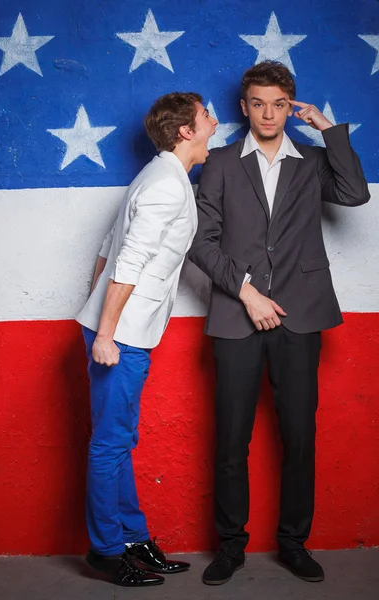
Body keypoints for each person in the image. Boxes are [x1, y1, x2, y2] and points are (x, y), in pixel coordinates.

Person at [188, 60, 370, 586]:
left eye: (280, 103)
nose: (269, 113)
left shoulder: (312, 162)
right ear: (243, 107)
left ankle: (293, 542)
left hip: (301, 316)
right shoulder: (219, 162)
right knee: (231, 440)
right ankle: (230, 545)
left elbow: (356, 194)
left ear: (292, 107)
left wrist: (329, 131)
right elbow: (201, 241)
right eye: (259, 103)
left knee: (299, 435)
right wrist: (247, 293)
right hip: (237, 315)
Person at [76, 92, 217, 587]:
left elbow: (104, 249)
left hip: (121, 329)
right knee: (110, 444)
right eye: (206, 115)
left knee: (120, 441)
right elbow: (127, 261)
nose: (214, 119)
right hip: (122, 336)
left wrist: (97, 316)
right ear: (186, 131)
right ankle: (106, 551)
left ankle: (133, 539)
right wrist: (106, 333)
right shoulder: (166, 186)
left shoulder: (162, 175)